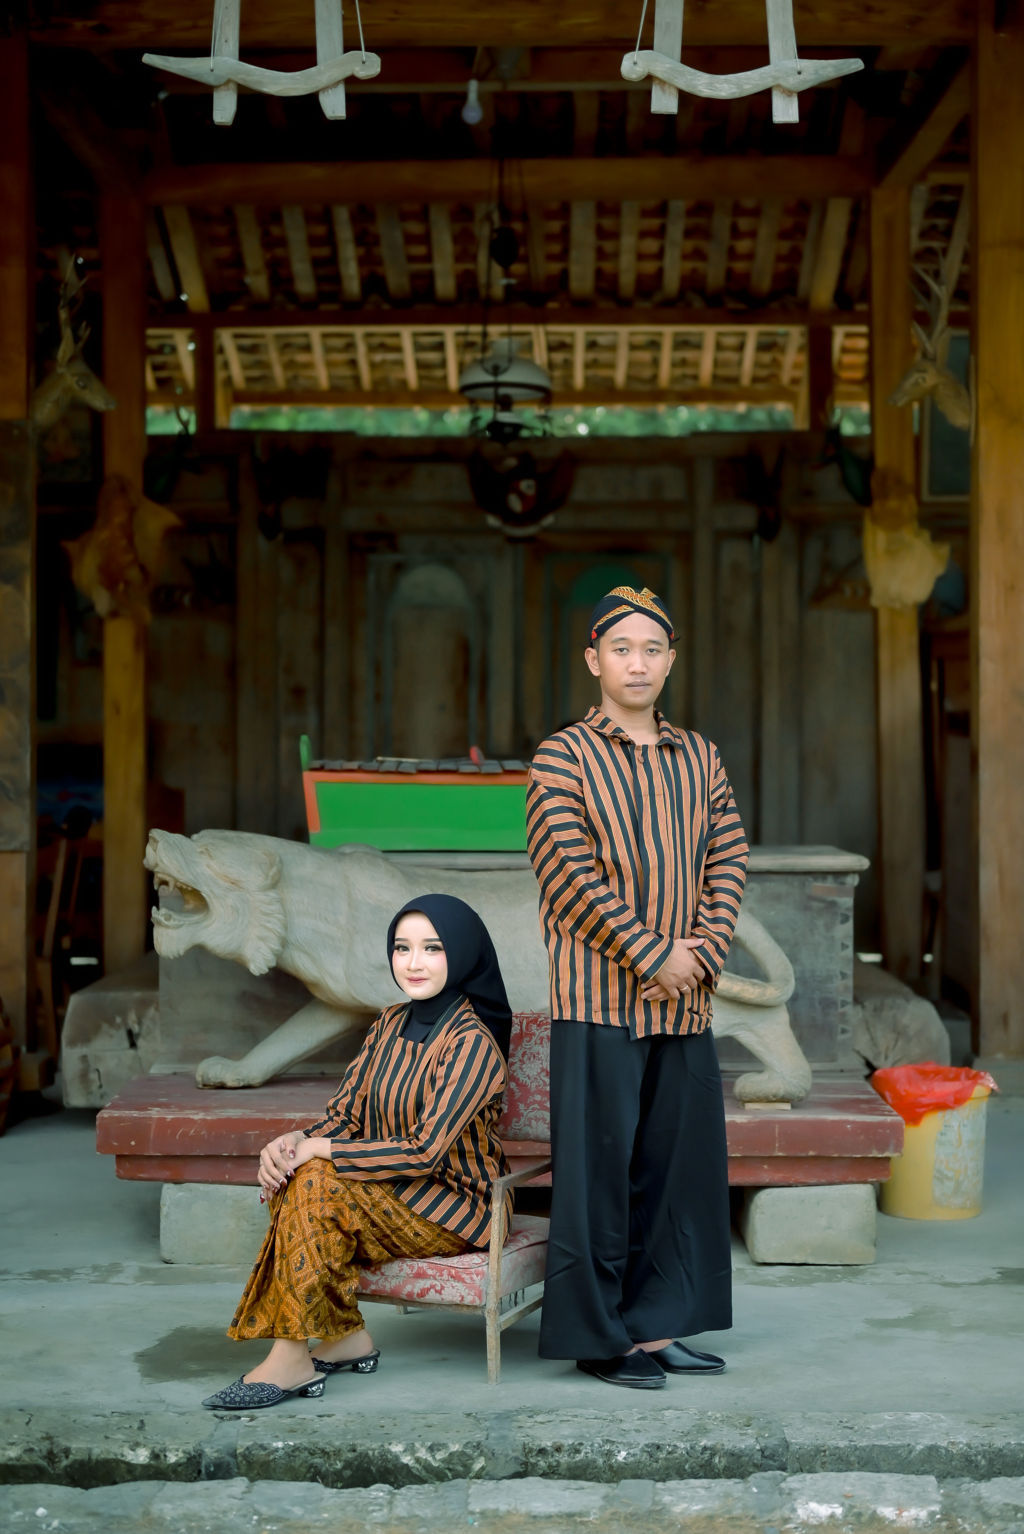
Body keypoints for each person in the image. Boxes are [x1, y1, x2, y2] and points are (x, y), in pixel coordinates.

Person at [526, 583, 749, 1391]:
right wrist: (653, 953)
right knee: (598, 1178)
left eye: (653, 649)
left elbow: (728, 854)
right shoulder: (563, 757)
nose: (638, 663)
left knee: (676, 1172)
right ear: (594, 660)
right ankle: (599, 1336)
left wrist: (704, 949)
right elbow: (568, 876)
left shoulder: (700, 756)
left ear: (672, 659)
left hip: (685, 1000)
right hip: (599, 1000)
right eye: (621, 649)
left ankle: (656, 1328)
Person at [202, 894, 513, 1410]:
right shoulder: (388, 1022)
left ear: (462, 954)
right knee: (301, 1173)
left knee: (316, 1182)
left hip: (453, 1205)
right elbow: (345, 1115)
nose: (413, 963)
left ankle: (291, 1357)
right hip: (389, 1191)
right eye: (402, 948)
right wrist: (293, 1142)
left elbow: (424, 1152)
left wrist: (317, 1150)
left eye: (432, 948)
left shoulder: (473, 1043)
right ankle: (343, 1338)